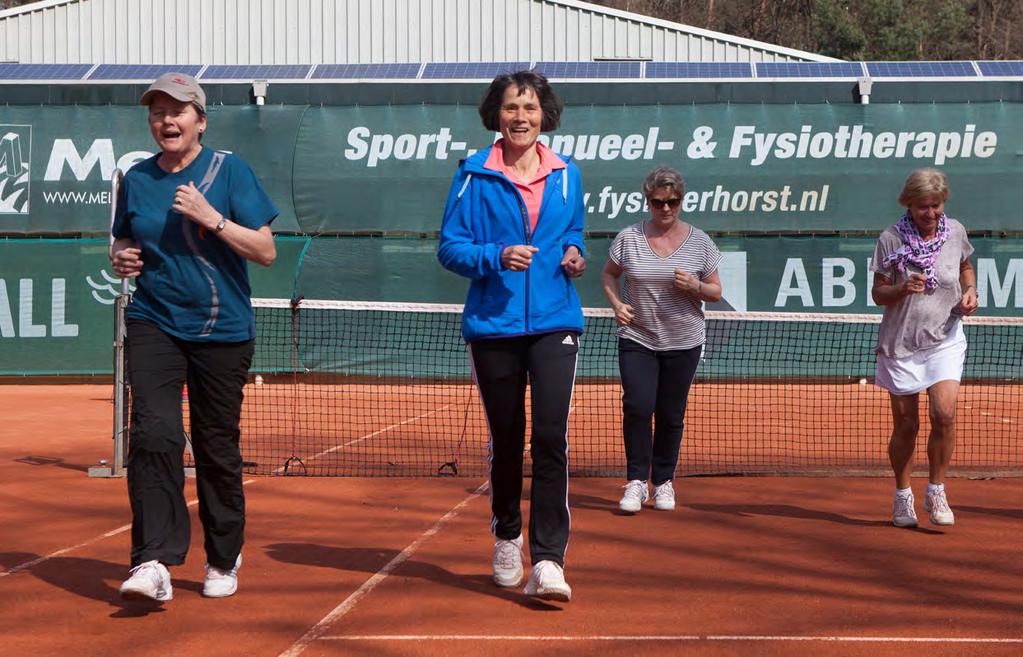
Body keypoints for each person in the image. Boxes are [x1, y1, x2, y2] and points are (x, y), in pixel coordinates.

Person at [110, 72, 277, 601]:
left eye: (178, 111)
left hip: (222, 330)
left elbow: (266, 250)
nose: (167, 120)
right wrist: (119, 257)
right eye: (158, 111)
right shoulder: (135, 178)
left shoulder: (231, 172)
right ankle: (153, 561)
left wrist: (214, 219)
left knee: (215, 447)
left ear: (200, 121)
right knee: (154, 435)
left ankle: (223, 556)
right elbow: (122, 241)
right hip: (154, 320)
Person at [438, 70, 585, 602]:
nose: (520, 117)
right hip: (493, 325)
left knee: (550, 438)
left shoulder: (567, 174)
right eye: (510, 108)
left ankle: (548, 560)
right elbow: (450, 248)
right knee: (506, 440)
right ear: (494, 115)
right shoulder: (473, 175)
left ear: (544, 114)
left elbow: (572, 230)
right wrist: (495, 257)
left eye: (529, 107)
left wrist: (573, 254)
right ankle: (506, 533)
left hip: (556, 321)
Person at [602, 166, 722, 514]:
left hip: (684, 340)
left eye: (673, 201)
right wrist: (617, 304)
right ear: (648, 201)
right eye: (658, 202)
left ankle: (664, 481)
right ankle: (637, 481)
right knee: (638, 405)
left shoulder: (700, 242)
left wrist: (696, 287)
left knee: (671, 413)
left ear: (681, 200)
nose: (666, 208)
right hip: (638, 337)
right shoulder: (629, 238)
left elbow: (716, 291)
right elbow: (609, 274)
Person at [870, 168, 977, 528]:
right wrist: (901, 288)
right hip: (901, 343)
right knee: (906, 424)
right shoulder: (890, 239)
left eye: (936, 205)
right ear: (909, 205)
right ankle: (903, 496)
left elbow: (965, 266)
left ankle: (936, 489)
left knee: (944, 414)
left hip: (945, 337)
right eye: (922, 207)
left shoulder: (956, 231)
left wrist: (969, 291)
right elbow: (878, 293)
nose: (930, 213)